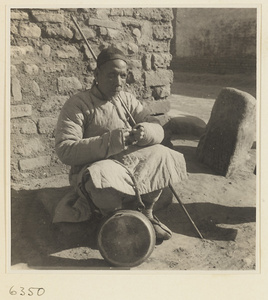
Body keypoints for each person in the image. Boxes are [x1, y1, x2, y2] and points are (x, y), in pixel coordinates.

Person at [54, 46, 187, 241]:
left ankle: (147, 213)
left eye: (123, 76)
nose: (118, 82)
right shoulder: (78, 104)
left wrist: (145, 131)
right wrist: (113, 140)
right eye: (111, 75)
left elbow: (154, 124)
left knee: (163, 154)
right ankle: (115, 220)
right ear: (97, 74)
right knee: (103, 175)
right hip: (95, 166)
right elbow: (65, 150)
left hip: (128, 163)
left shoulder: (126, 99)